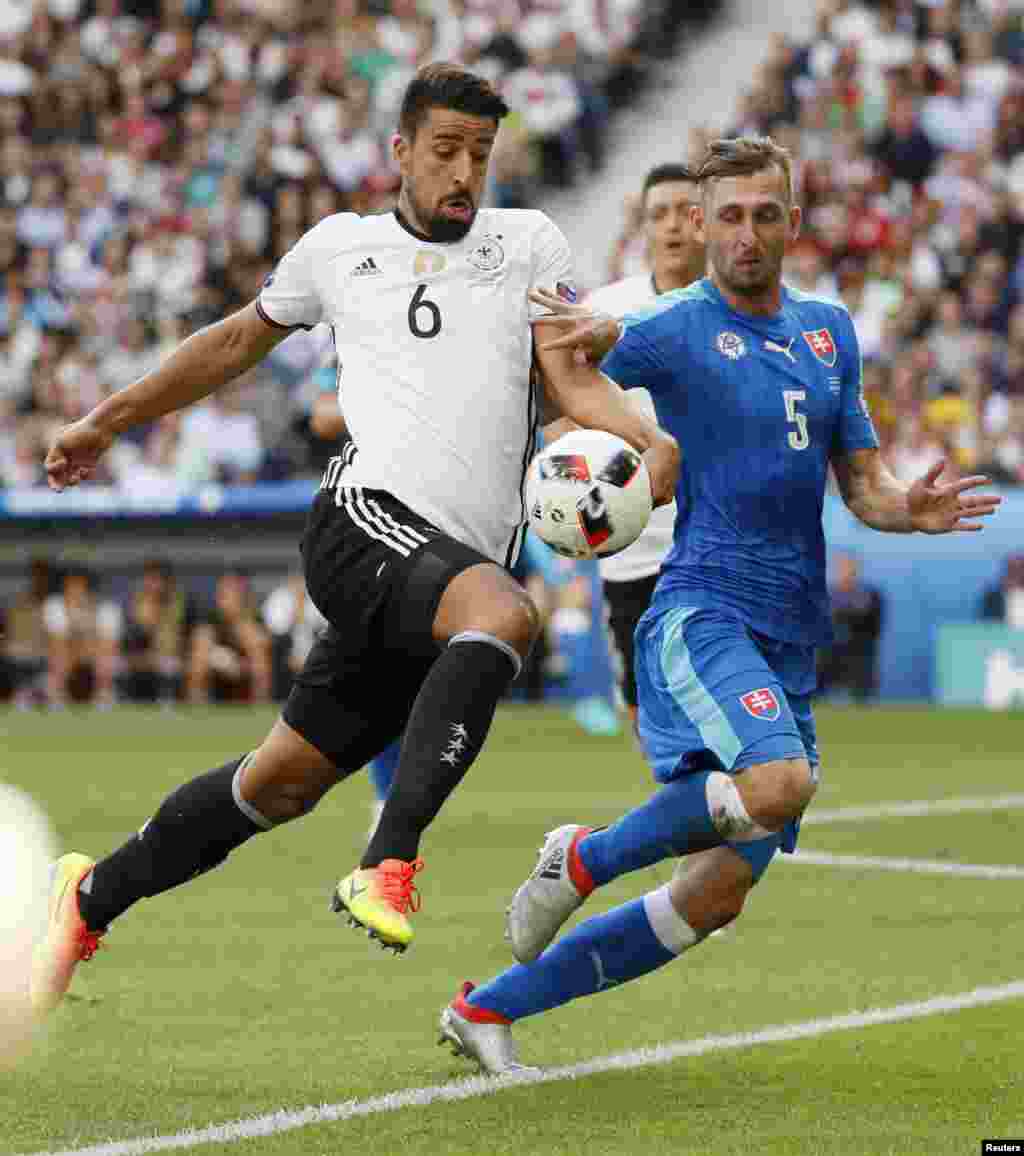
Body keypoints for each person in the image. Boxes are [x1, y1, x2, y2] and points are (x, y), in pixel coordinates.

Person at [31, 63, 679, 1015]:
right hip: (363, 524)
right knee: (506, 614)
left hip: (448, 580)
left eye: (481, 155)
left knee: (277, 786)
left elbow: (571, 384)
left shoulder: (529, 245)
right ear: (401, 153)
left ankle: (87, 902)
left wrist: (646, 440)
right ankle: (388, 863)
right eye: (447, 151)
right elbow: (229, 345)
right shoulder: (342, 249)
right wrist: (106, 420)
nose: (465, 172)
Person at [438, 135, 1002, 1074]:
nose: (746, 233)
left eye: (764, 214)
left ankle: (484, 1009)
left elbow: (862, 486)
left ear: (791, 219)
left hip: (788, 631)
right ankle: (582, 860)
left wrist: (912, 508)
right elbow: (567, 369)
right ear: (701, 225)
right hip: (702, 612)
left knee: (717, 892)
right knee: (780, 785)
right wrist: (639, 437)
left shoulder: (830, 331)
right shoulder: (675, 324)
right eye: (728, 216)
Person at [551, 163, 706, 732]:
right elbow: (558, 413)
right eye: (656, 214)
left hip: (723, 550)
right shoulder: (605, 312)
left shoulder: (745, 311)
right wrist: (581, 482)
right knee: (653, 732)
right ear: (640, 227)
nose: (671, 227)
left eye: (686, 213)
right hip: (634, 553)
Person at [817, 551, 884, 701]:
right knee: (818, 692)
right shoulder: (826, 595)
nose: (845, 571)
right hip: (829, 655)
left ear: (856, 570)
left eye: (849, 567)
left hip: (859, 654)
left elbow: (874, 626)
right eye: (842, 567)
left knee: (861, 695)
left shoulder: (869, 595)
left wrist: (846, 616)